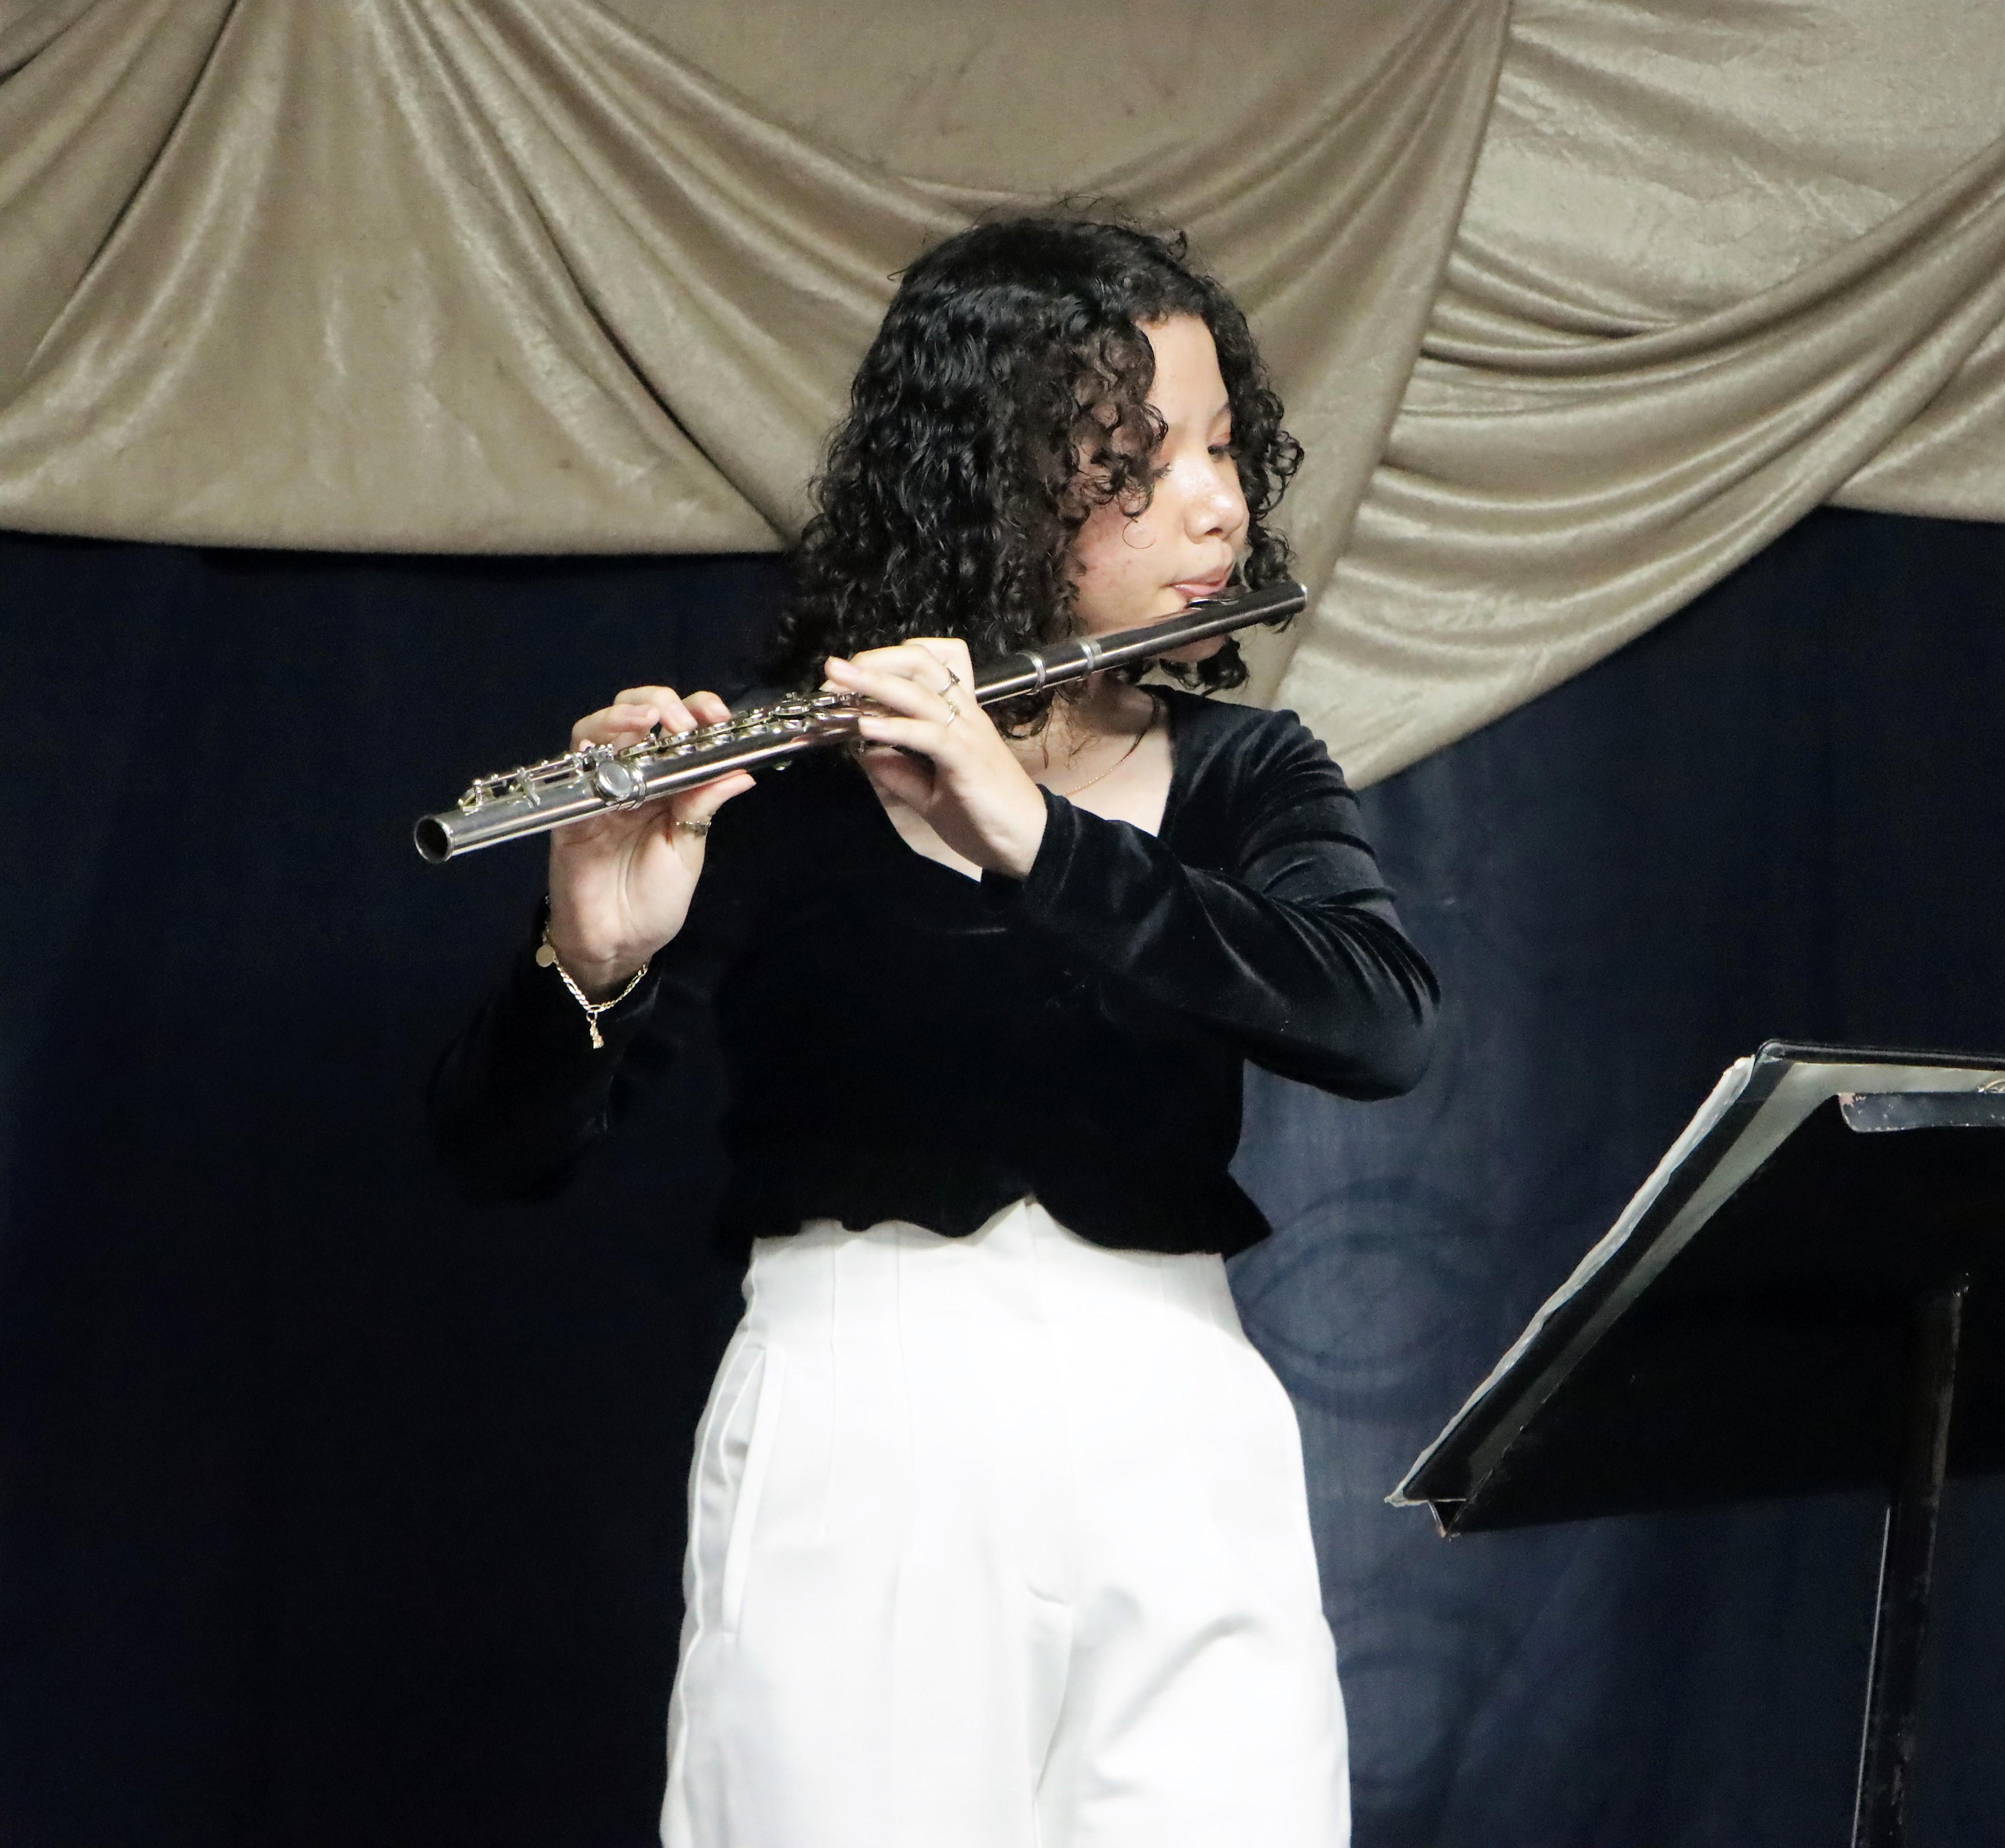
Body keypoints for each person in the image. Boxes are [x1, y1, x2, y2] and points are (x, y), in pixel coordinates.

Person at [428, 211, 1436, 1848]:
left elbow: (1380, 1026)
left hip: (1180, 1419)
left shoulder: (1251, 774)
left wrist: (1033, 836)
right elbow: (498, 1151)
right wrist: (589, 961)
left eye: (1224, 448)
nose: (1218, 505)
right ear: (994, 488)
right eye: (1140, 462)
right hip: (865, 1427)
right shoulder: (775, 796)